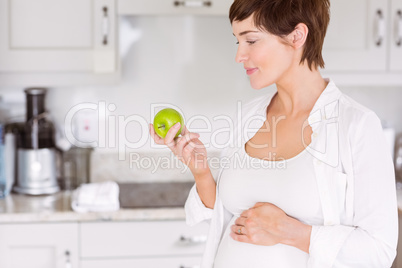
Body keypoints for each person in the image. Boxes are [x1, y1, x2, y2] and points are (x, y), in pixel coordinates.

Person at [149, 0, 398, 267]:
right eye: (238, 41)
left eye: (251, 41)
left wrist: (290, 231)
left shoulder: (356, 126)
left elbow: (379, 250)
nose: (239, 55)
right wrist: (201, 172)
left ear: (297, 36)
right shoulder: (248, 116)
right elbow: (228, 219)